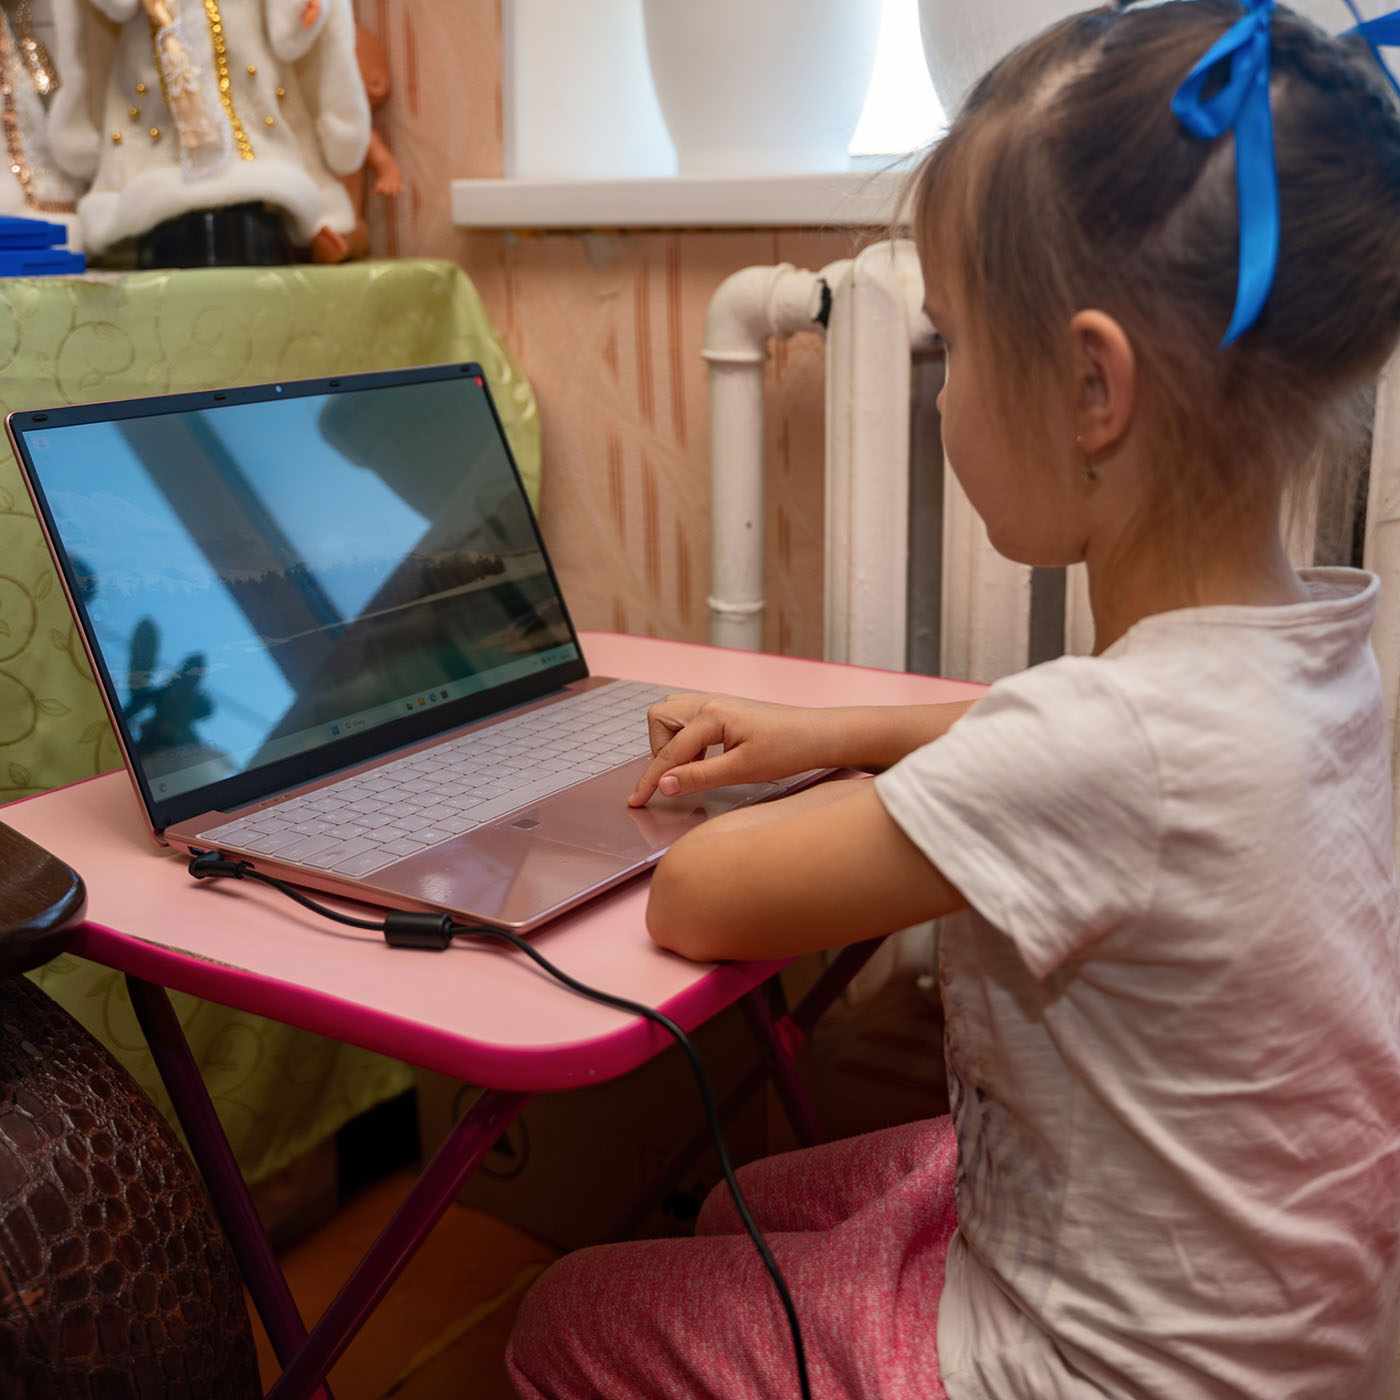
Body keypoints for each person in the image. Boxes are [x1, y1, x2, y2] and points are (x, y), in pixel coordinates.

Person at [506, 2, 1400, 1396]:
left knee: (564, 1314)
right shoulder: (1317, 644)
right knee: (774, 1193)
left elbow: (699, 899)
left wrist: (807, 800)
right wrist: (831, 734)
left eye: (956, 344)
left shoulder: (1098, 748)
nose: (940, 396)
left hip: (1091, 1369)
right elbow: (1103, 739)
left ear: (1093, 388)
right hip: (1280, 1321)